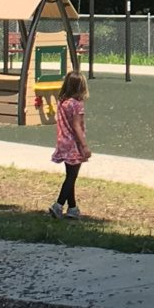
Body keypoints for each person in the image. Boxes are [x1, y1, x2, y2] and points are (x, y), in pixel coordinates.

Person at [49, 71, 91, 219]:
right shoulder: (77, 105)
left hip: (63, 141)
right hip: (73, 143)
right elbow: (77, 126)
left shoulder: (62, 102)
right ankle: (58, 205)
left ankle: (72, 208)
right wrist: (84, 146)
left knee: (70, 175)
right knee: (72, 177)